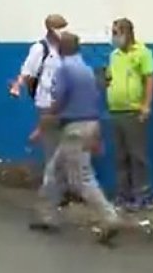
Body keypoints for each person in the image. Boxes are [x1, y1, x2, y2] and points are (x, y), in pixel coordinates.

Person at [29, 31, 120, 245]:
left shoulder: (64, 70)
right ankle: (47, 217)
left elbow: (59, 101)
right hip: (89, 125)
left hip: (74, 129)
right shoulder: (86, 69)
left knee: (82, 178)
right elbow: (94, 101)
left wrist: (44, 124)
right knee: (54, 170)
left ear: (61, 48)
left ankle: (110, 217)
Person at [105, 17, 153, 210]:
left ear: (127, 33)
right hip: (116, 111)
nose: (114, 37)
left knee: (137, 156)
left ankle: (142, 196)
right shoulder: (114, 55)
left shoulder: (143, 53)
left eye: (116, 33)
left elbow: (150, 79)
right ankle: (123, 195)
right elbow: (110, 77)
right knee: (121, 156)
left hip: (134, 111)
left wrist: (146, 105)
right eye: (113, 33)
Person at [10, 14, 68, 163]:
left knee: (63, 145)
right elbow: (28, 71)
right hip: (46, 101)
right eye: (60, 28)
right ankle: (52, 174)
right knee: (51, 144)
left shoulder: (63, 49)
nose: (63, 32)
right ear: (51, 29)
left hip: (63, 102)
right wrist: (18, 86)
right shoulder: (40, 48)